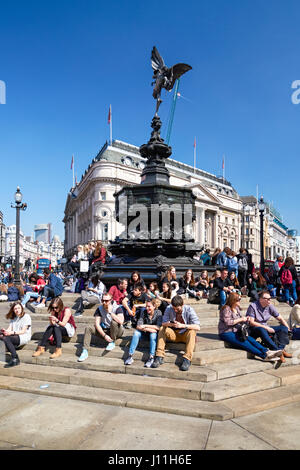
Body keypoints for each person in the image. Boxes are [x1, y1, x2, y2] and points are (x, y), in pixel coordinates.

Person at [218, 292, 282, 362]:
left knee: (251, 339)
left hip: (236, 331)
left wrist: (245, 319)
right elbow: (228, 322)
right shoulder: (226, 308)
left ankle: (267, 351)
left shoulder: (237, 308)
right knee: (244, 342)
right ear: (233, 300)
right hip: (226, 332)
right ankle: (264, 356)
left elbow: (239, 321)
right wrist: (241, 319)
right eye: (238, 299)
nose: (240, 301)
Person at [152, 295, 200, 371]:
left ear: (182, 305)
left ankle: (187, 359)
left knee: (192, 332)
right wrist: (171, 324)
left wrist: (183, 326)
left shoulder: (189, 310)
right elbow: (163, 323)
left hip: (185, 334)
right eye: (174, 309)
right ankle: (159, 356)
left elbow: (198, 327)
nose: (175, 311)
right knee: (162, 329)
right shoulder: (169, 308)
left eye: (177, 309)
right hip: (174, 333)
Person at [246, 290, 292, 363]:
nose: (269, 300)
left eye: (270, 298)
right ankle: (278, 352)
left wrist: (288, 328)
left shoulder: (270, 306)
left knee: (283, 328)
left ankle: (280, 350)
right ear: (261, 299)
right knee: (262, 330)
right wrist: (267, 328)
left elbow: (280, 318)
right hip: (254, 328)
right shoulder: (253, 306)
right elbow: (251, 322)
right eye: (267, 299)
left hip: (265, 326)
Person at [78, 292, 124, 361]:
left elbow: (121, 321)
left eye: (106, 301)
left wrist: (110, 312)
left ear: (111, 300)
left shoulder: (117, 308)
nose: (104, 302)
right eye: (103, 300)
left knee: (114, 322)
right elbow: (97, 324)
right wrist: (104, 335)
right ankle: (85, 351)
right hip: (106, 330)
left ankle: (112, 341)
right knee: (88, 328)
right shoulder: (99, 309)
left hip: (117, 330)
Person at [124, 299, 163, 368]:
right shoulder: (144, 312)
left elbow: (158, 327)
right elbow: (138, 326)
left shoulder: (158, 312)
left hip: (153, 336)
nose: (147, 308)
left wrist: (145, 326)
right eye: (146, 306)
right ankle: (130, 355)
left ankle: (151, 357)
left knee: (153, 335)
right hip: (144, 334)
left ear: (154, 306)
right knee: (136, 333)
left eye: (149, 306)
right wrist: (149, 329)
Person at [0, 301, 32, 368]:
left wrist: (11, 333)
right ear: (13, 310)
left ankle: (15, 358)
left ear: (22, 308)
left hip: (23, 336)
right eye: (15, 309)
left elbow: (23, 331)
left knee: (6, 338)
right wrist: (5, 331)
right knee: (1, 334)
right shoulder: (14, 318)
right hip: (14, 336)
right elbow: (9, 329)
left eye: (18, 308)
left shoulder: (26, 316)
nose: (17, 310)